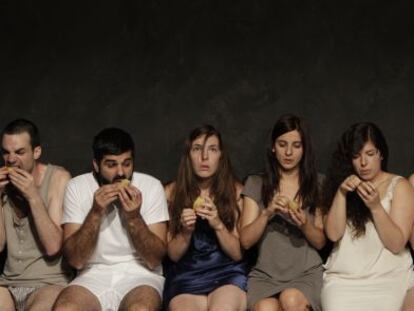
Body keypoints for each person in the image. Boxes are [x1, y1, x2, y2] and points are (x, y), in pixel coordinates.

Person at [53, 127, 169, 311]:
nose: (121, 173)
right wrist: (96, 212)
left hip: (141, 275)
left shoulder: (151, 186)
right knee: (65, 308)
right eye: (111, 165)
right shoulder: (77, 187)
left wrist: (134, 217)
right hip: (92, 274)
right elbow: (75, 260)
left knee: (140, 309)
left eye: (127, 163)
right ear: (96, 165)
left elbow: (154, 260)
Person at [322, 122, 414, 311]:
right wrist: (341, 193)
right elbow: (332, 235)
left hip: (389, 279)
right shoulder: (340, 185)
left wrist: (376, 207)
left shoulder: (399, 185)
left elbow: (396, 244)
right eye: (356, 156)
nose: (363, 163)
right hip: (343, 281)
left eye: (370, 154)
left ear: (381, 154)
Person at [240, 114, 325, 311]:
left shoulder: (319, 183)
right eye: (282, 144)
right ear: (273, 147)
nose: (288, 152)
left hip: (306, 273)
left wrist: (304, 223)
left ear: (304, 149)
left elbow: (320, 241)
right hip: (265, 275)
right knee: (265, 308)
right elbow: (245, 241)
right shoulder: (255, 183)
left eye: (296, 145)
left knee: (291, 299)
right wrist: (267, 213)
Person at [163, 125, 247, 311]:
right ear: (188, 155)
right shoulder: (171, 192)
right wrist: (186, 231)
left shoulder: (236, 192)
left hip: (227, 273)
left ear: (221, 156)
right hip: (186, 276)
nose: (204, 157)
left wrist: (218, 224)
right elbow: (173, 255)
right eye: (197, 149)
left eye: (212, 149)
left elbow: (237, 253)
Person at [0, 119, 72, 311]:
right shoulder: (2, 186)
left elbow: (53, 246)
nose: (11, 160)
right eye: (6, 152)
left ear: (36, 152)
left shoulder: (59, 178)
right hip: (7, 283)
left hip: (49, 283)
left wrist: (33, 195)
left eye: (20, 152)